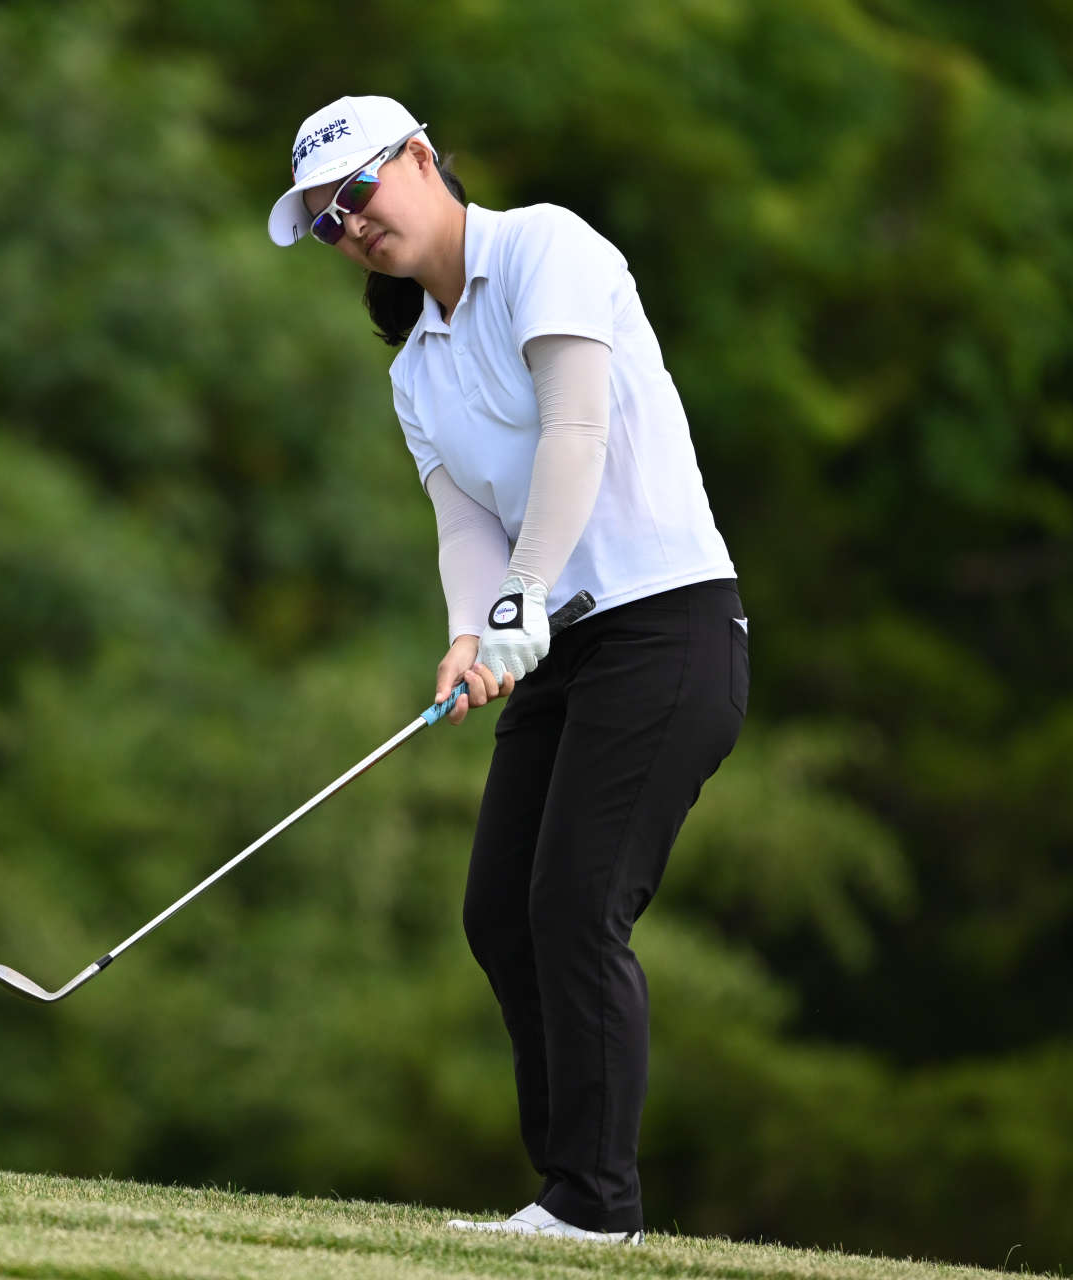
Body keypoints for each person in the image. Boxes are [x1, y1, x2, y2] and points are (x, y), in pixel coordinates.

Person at [268, 95, 748, 1246]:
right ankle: (565, 1192)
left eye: (358, 195)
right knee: (501, 912)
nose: (349, 227)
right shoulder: (413, 371)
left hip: (669, 627)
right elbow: (462, 531)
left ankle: (597, 1206)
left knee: (577, 901)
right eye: (326, 223)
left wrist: (518, 596)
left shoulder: (548, 244)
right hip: (561, 643)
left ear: (421, 160)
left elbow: (575, 431)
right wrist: (473, 632)